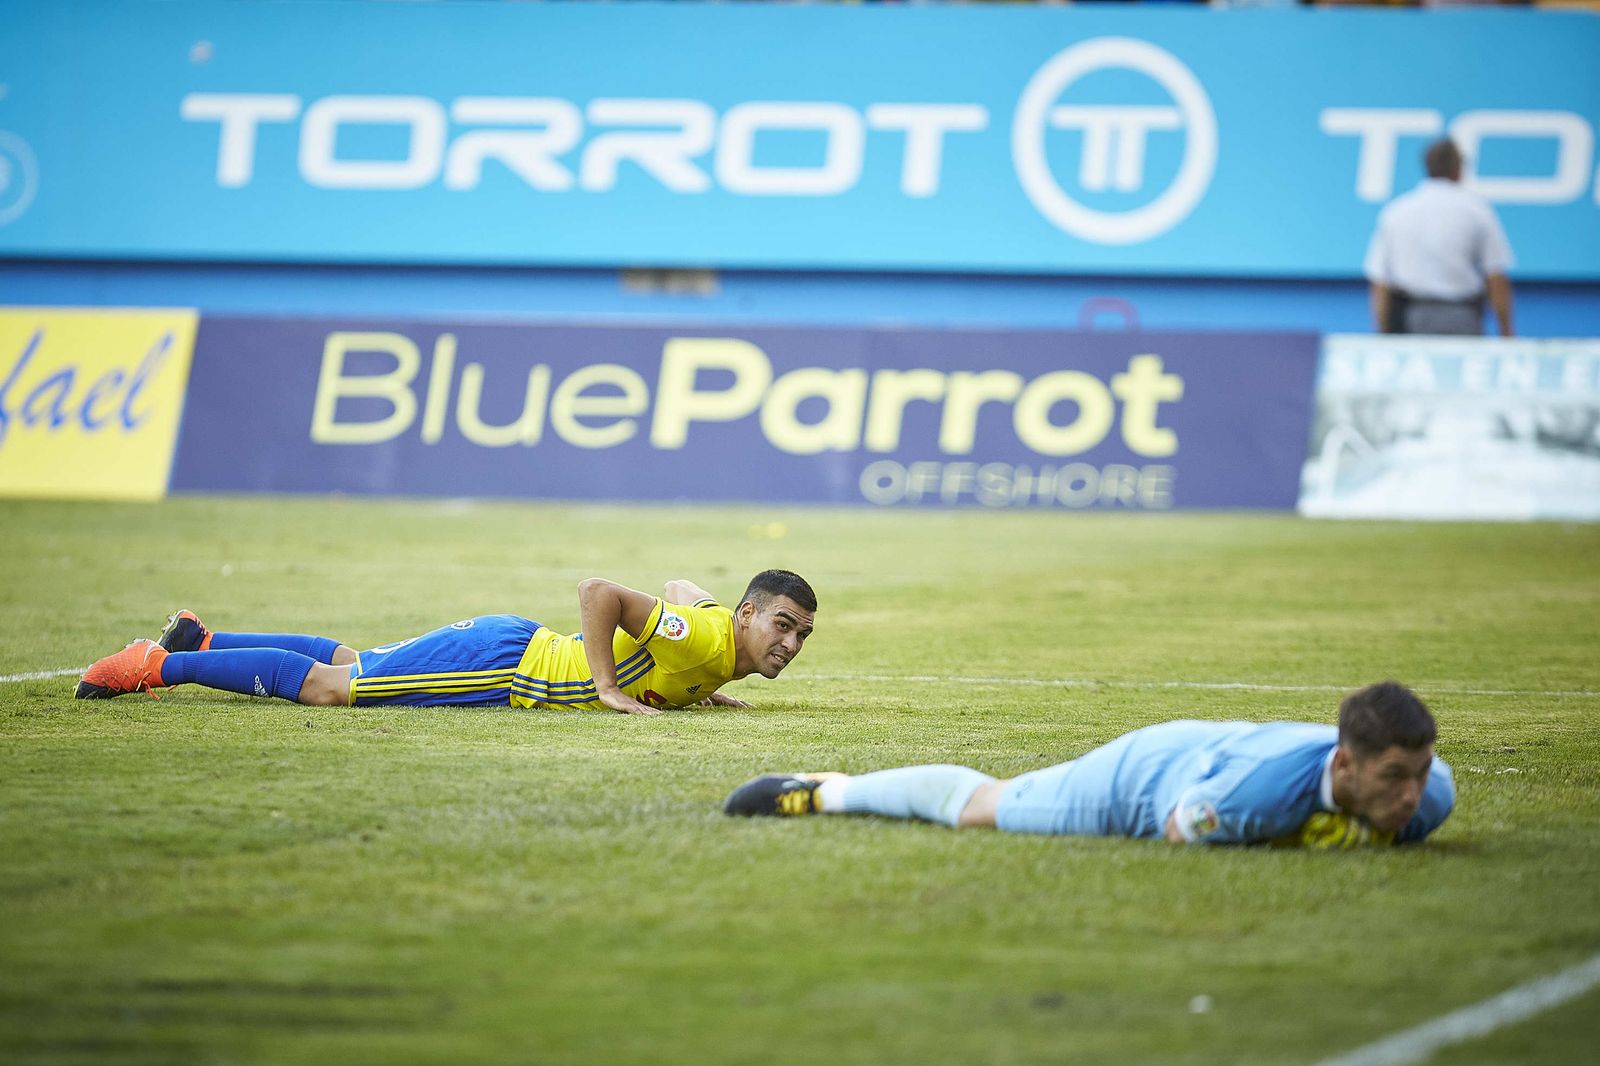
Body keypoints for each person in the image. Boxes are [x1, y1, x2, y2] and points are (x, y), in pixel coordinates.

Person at [725, 681, 1454, 847]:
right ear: (1348, 765)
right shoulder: (1256, 797)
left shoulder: (1434, 795)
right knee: (987, 807)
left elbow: (1418, 793)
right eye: (1394, 779)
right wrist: (1342, 837)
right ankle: (821, 791)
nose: (1410, 796)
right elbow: (1178, 830)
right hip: (1147, 776)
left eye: (1417, 774)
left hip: (1218, 749)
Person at [74, 569, 816, 716]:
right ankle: (157, 664)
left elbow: (684, 586)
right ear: (748, 614)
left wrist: (703, 684)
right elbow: (600, 593)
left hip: (505, 646)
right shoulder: (701, 642)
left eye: (802, 635)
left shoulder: (713, 641)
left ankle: (205, 638)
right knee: (333, 688)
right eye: (781, 624)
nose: (789, 643)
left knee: (350, 662)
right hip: (503, 669)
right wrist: (609, 687)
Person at [1364, 137, 1514, 338]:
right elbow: (1495, 276)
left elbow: (1380, 281)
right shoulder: (1477, 212)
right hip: (1462, 318)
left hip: (1410, 319)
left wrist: (1383, 334)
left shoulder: (1397, 212)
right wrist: (1506, 333)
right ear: (1458, 168)